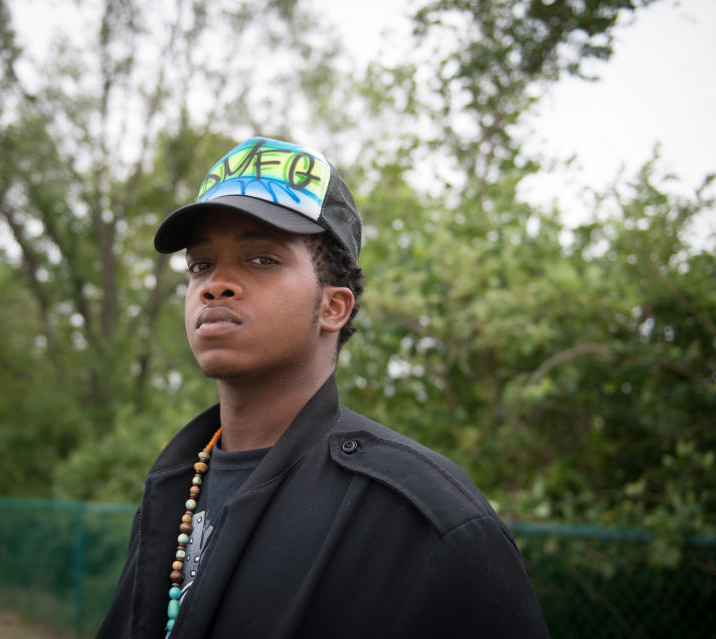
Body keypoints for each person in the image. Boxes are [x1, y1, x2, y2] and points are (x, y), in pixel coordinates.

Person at [95, 136, 550, 638]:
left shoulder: (427, 519)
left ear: (334, 307)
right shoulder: (174, 486)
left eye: (261, 259)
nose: (215, 284)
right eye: (201, 265)